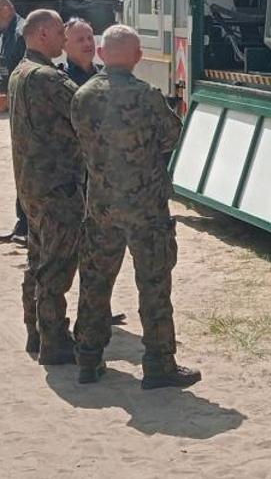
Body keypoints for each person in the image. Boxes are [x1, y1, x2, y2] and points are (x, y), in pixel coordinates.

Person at [71, 25, 199, 388]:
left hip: (101, 205)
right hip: (146, 206)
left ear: (100, 53)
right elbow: (172, 136)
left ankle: (88, 357)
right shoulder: (147, 96)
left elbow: (79, 138)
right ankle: (159, 363)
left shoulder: (82, 96)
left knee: (95, 281)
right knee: (154, 284)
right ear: (138, 57)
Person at [9, 9, 88, 363]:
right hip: (58, 184)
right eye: (59, 33)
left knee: (38, 258)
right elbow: (86, 110)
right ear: (42, 34)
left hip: (32, 183)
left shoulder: (20, 72)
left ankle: (36, 331)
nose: (64, 39)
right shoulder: (48, 78)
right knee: (57, 264)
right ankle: (54, 340)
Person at [0, 0, 31, 244]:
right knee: (20, 168)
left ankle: (28, 226)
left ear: (6, 10)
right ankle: (22, 223)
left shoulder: (21, 33)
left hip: (27, 110)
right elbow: (8, 73)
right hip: (15, 107)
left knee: (28, 169)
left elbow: (25, 74)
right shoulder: (8, 34)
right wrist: (2, 94)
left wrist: (8, 95)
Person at [59, 19, 99, 87]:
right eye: (80, 40)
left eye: (90, 38)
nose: (88, 44)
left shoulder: (106, 74)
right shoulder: (56, 78)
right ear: (64, 46)